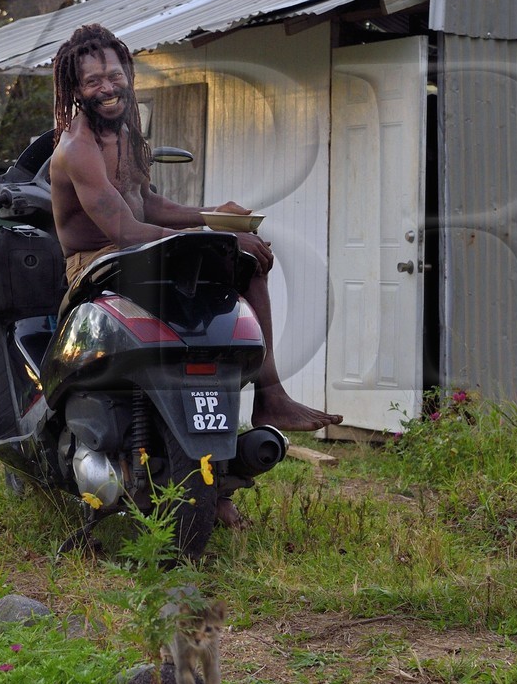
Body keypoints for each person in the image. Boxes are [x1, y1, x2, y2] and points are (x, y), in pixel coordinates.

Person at [49, 22, 343, 442]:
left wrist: (213, 216)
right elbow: (127, 231)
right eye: (93, 81)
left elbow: (146, 203)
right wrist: (219, 237)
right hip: (95, 261)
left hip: (132, 247)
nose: (108, 87)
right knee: (229, 249)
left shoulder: (128, 133)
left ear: (129, 76)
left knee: (248, 260)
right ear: (77, 91)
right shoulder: (78, 148)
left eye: (115, 76)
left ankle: (270, 395)